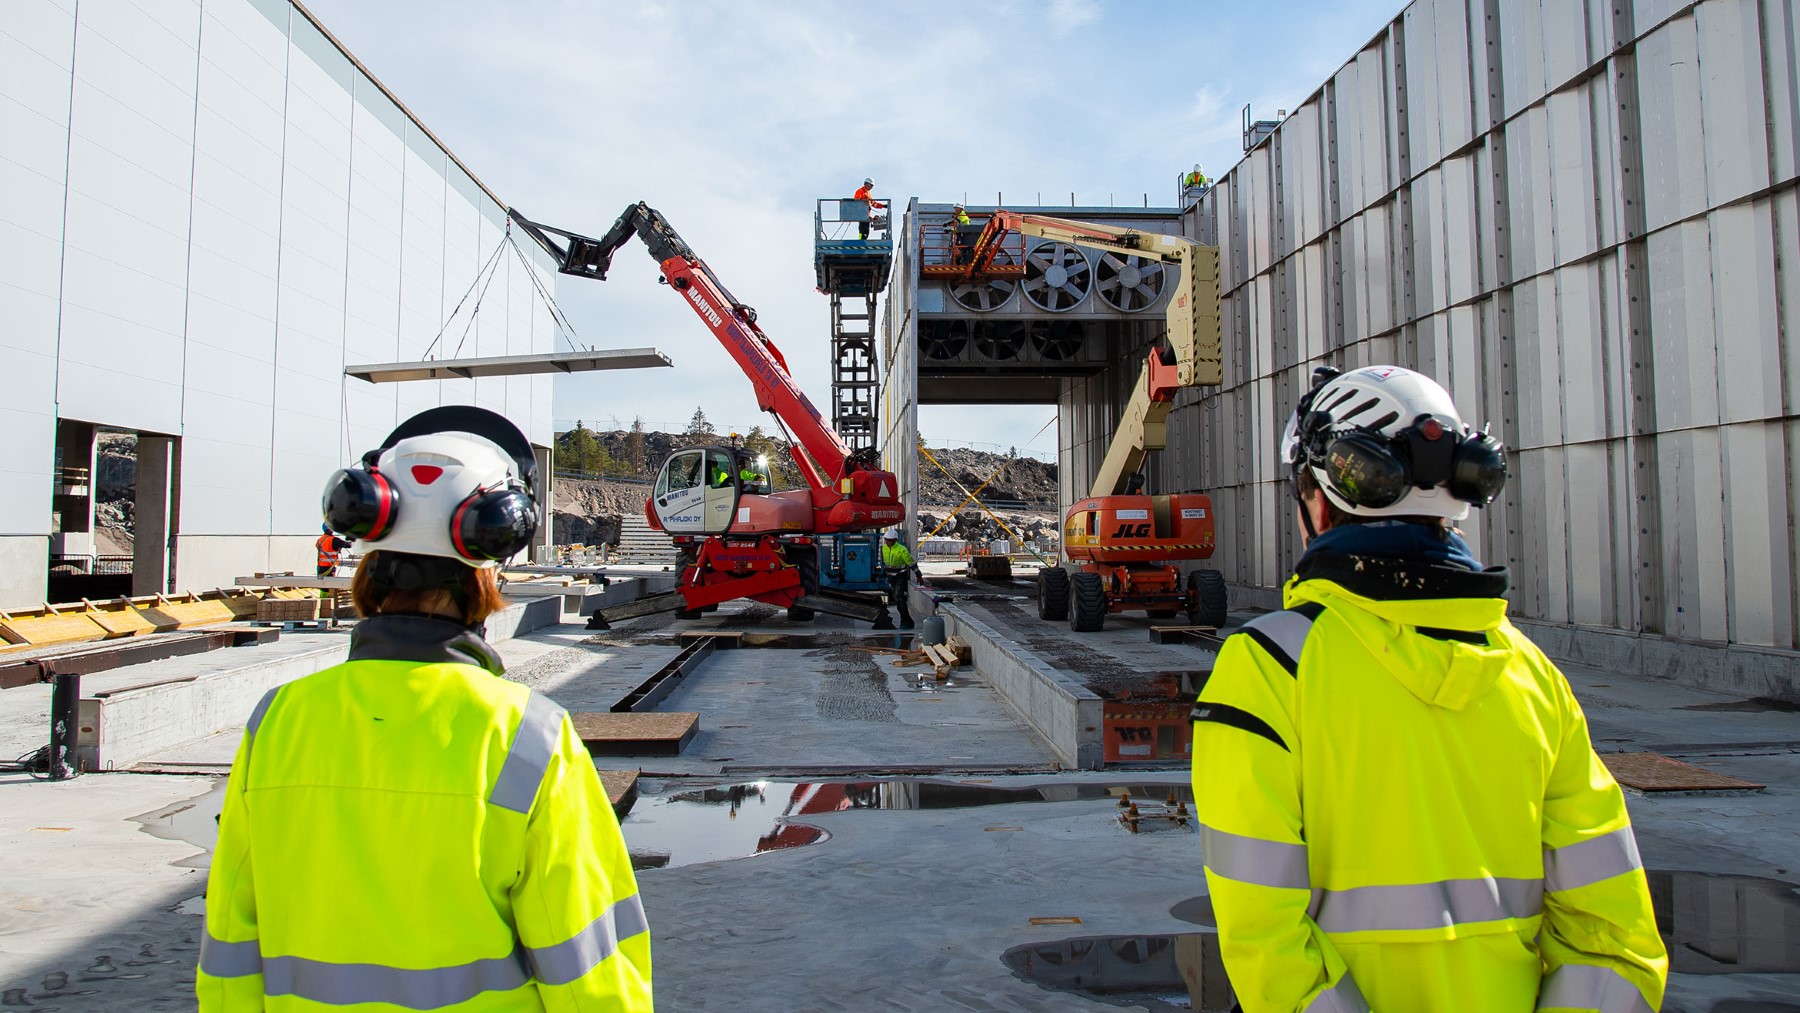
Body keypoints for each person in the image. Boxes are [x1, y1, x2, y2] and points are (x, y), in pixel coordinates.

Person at [1189, 365, 1666, 1013]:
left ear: (1319, 500)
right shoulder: (1534, 677)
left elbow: (1266, 939)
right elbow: (1616, 942)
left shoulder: (1270, 668)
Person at [198, 405, 652, 1011]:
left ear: (368, 562)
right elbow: (588, 972)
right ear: (488, 576)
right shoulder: (529, 737)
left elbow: (231, 946)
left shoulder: (278, 722)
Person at [880, 527, 917, 629]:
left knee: (899, 598)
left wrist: (919, 575)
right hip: (890, 577)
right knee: (896, 599)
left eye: (890, 540)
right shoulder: (884, 548)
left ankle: (906, 621)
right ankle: (907, 621)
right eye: (886, 540)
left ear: (895, 540)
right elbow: (884, 563)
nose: (888, 542)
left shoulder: (902, 550)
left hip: (900, 576)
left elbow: (911, 562)